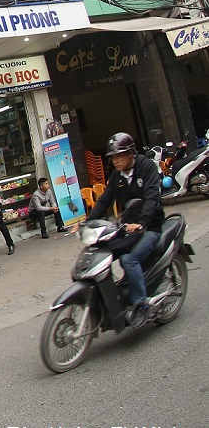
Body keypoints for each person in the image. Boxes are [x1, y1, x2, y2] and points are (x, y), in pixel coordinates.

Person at [76, 133, 164, 329]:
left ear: (131, 153)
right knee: (102, 253)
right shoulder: (117, 175)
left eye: (119, 156)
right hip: (127, 228)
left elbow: (152, 197)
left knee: (128, 260)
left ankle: (141, 305)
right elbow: (104, 200)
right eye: (113, 157)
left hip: (150, 226)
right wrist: (86, 222)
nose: (115, 160)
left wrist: (142, 222)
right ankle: (112, 300)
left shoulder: (146, 167)